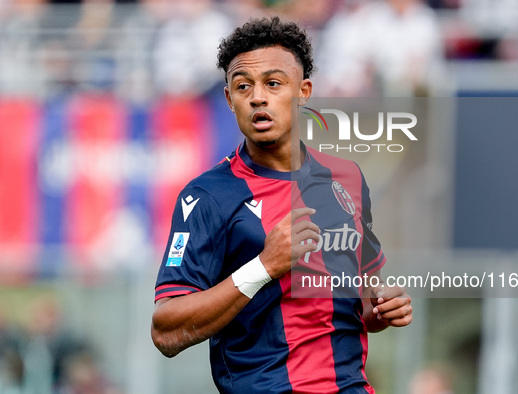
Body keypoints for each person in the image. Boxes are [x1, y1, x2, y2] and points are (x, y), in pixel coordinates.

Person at [151, 16, 413, 393]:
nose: (258, 96)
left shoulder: (346, 178)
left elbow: (367, 297)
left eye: (273, 83)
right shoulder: (208, 197)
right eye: (243, 86)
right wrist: (263, 266)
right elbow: (166, 329)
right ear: (229, 99)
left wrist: (383, 308)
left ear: (303, 90)